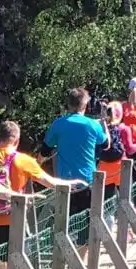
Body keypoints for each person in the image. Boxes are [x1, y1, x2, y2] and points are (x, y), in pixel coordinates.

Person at [0, 120, 69, 252]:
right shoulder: (24, 160)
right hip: (16, 218)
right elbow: (51, 183)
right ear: (17, 140)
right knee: (18, 263)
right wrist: (73, 183)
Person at [44, 88, 108, 216]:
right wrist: (104, 123)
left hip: (64, 183)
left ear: (69, 104)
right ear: (85, 105)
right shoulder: (93, 125)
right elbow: (105, 145)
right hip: (87, 181)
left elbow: (45, 149)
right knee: (88, 221)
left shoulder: (58, 124)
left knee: (66, 223)